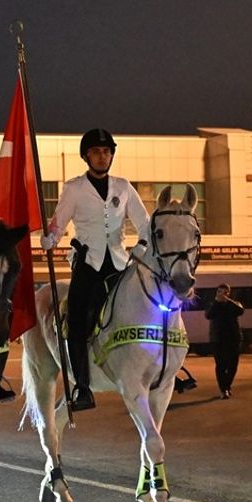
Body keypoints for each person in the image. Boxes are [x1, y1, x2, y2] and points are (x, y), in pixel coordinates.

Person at [39, 128, 150, 411]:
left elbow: (144, 223)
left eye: (107, 152)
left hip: (118, 263)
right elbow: (59, 223)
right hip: (88, 264)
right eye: (97, 152)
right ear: (86, 156)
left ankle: (163, 368)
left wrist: (141, 247)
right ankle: (82, 387)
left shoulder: (124, 187)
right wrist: (50, 238)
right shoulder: (74, 188)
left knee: (148, 306)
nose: (103, 157)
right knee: (76, 319)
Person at [206, 283, 245, 399]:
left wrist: (227, 300)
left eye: (224, 292)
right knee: (221, 365)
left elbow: (240, 310)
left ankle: (227, 385)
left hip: (233, 339)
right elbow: (208, 315)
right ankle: (224, 390)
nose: (221, 294)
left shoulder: (233, 304)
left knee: (233, 366)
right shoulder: (213, 305)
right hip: (218, 340)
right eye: (219, 292)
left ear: (228, 293)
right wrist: (217, 302)